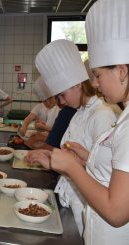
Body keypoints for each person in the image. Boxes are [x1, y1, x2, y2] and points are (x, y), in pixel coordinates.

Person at [30, 1, 129, 244]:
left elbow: (116, 211)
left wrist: (72, 167)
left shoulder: (106, 114)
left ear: (121, 71)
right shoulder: (89, 112)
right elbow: (108, 168)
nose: (95, 83)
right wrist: (75, 159)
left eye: (97, 75)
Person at [25, 39, 117, 235]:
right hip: (69, 200)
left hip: (88, 209)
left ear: (77, 85)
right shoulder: (78, 113)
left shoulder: (102, 115)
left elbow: (106, 178)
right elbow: (77, 159)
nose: (60, 101)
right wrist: (48, 159)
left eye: (62, 94)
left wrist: (68, 164)